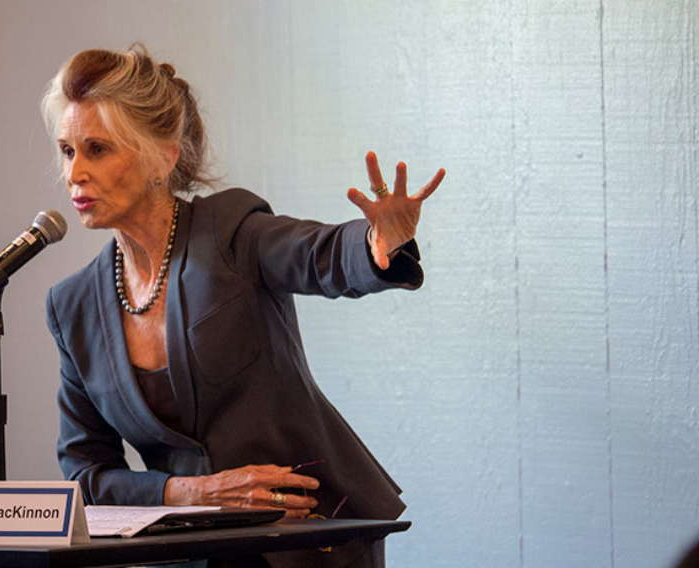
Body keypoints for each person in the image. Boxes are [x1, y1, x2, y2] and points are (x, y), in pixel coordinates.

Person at [41, 45, 445, 567]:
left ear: (162, 157)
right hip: (188, 555)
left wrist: (374, 243)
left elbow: (315, 253)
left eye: (97, 149)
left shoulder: (230, 232)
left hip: (307, 541)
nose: (74, 172)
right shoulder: (73, 306)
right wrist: (186, 494)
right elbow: (85, 474)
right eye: (67, 151)